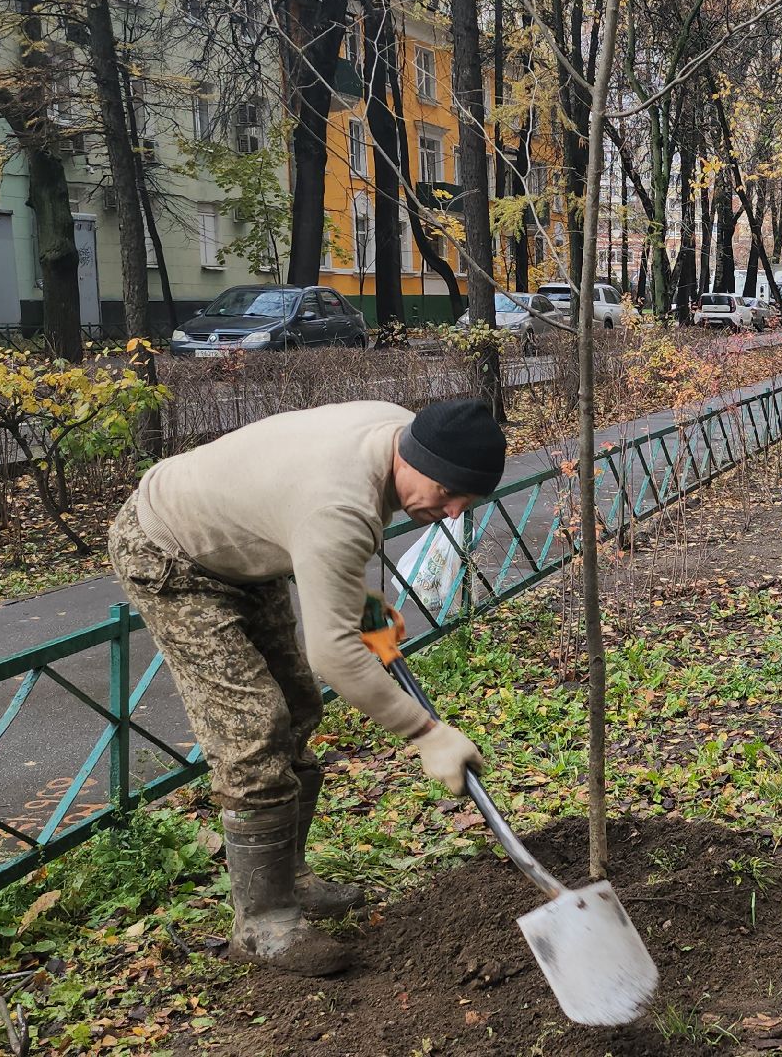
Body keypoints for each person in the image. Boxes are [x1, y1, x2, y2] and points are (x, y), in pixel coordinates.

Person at [106, 398, 506, 976]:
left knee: (298, 706)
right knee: (252, 729)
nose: (451, 512)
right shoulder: (338, 503)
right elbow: (335, 653)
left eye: (465, 500)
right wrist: (427, 732)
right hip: (172, 551)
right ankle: (263, 921)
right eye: (447, 493)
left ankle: (290, 877)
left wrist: (361, 607)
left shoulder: (398, 435)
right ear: (415, 456)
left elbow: (327, 543)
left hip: (246, 546)